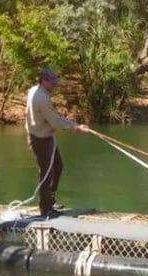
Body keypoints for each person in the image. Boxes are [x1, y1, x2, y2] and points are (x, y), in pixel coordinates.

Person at [25, 67, 90, 219]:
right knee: (46, 174)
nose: (55, 85)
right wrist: (76, 126)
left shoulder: (35, 90)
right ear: (44, 81)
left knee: (57, 166)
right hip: (39, 139)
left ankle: (51, 200)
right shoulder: (41, 98)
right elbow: (54, 121)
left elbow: (51, 117)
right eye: (52, 82)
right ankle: (45, 209)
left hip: (45, 136)